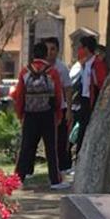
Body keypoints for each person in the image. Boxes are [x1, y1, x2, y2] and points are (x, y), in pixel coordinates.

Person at [11, 41, 68, 190]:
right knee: (51, 148)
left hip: (30, 114)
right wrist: (58, 114)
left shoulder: (25, 71)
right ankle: (55, 180)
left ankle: (18, 178)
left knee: (26, 147)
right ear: (45, 54)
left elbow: (19, 95)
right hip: (47, 114)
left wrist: (20, 113)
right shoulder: (52, 72)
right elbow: (58, 95)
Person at [44, 37, 74, 174]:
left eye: (53, 49)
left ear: (57, 51)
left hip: (59, 108)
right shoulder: (38, 66)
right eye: (47, 49)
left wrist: (69, 110)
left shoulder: (61, 68)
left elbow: (68, 89)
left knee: (61, 139)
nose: (50, 52)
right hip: (42, 109)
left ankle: (63, 166)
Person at [73, 36, 107, 154]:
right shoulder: (84, 64)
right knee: (81, 129)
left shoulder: (96, 64)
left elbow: (101, 83)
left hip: (92, 101)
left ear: (86, 49)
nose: (79, 50)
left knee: (85, 128)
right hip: (83, 100)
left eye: (81, 47)